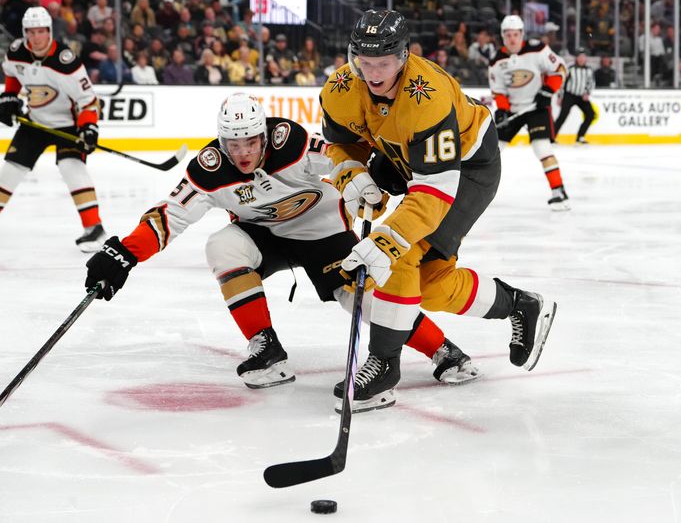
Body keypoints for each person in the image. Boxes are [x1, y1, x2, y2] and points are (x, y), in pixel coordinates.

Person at [84, 93, 480, 391]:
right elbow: (169, 215)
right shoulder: (208, 169)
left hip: (320, 231)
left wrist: (368, 176)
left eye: (250, 143)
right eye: (233, 145)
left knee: (359, 300)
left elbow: (340, 159)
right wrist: (124, 253)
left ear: (263, 134)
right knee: (221, 246)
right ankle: (266, 348)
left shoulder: (289, 141)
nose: (242, 154)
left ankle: (443, 351)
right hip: (263, 235)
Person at [320, 10, 557, 413]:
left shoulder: (427, 94)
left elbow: (432, 192)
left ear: (404, 57)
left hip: (467, 169)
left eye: (384, 63)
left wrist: (387, 239)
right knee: (428, 285)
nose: (374, 73)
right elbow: (342, 145)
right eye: (366, 62)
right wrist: (353, 176)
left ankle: (383, 368)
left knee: (402, 253)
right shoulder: (342, 86)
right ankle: (520, 304)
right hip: (406, 157)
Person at [0, 6, 106, 252]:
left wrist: (89, 127)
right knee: (10, 170)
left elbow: (87, 100)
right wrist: (9, 98)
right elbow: (13, 75)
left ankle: (95, 229)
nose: (36, 37)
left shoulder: (66, 61)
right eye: (31, 32)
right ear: (25, 32)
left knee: (71, 167)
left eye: (41, 31)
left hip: (67, 125)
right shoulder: (16, 52)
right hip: (35, 121)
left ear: (49, 31)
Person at [488, 14, 570, 211]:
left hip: (536, 108)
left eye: (515, 34)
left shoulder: (538, 49)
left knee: (542, 148)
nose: (512, 39)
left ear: (522, 34)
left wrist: (548, 90)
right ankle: (470, 193)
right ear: (502, 36)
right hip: (514, 109)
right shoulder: (496, 61)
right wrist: (502, 110)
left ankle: (559, 192)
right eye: (508, 35)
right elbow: (499, 91)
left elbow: (560, 69)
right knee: (492, 151)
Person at [554, 48, 596, 145]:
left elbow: (591, 83)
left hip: (581, 97)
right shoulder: (570, 68)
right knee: (562, 116)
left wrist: (587, 93)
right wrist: (560, 96)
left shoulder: (589, 70)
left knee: (591, 114)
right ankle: (552, 138)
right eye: (579, 57)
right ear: (576, 58)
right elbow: (562, 82)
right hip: (570, 95)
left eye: (583, 57)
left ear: (586, 58)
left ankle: (580, 137)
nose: (581, 59)